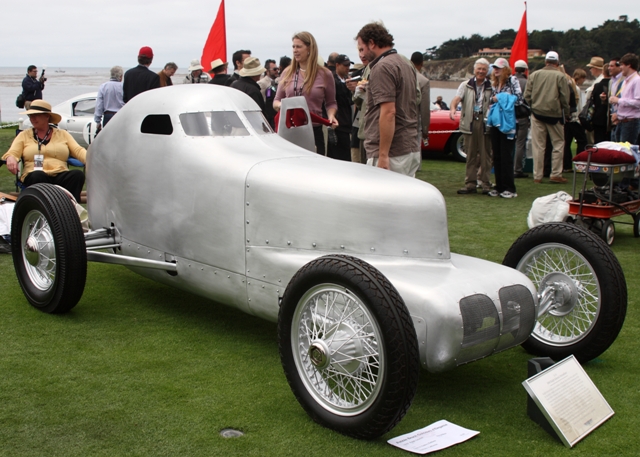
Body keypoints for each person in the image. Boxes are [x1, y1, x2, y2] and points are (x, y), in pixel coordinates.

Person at [355, 22, 420, 177]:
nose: (361, 54)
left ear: (371, 43)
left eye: (362, 49)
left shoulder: (382, 67)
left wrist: (383, 155)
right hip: (408, 146)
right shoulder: (405, 64)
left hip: (392, 152)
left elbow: (389, 112)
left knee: (381, 200)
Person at [2, 100, 86, 201]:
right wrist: (10, 158)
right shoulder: (24, 135)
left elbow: (78, 150)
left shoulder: (63, 134)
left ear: (47, 116)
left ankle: (69, 208)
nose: (32, 118)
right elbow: (12, 152)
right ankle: (43, 208)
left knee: (77, 175)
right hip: (35, 175)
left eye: (36, 115)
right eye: (30, 116)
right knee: (38, 175)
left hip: (59, 173)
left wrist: (90, 159)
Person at [274, 32, 338, 155]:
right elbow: (276, 101)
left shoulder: (325, 74)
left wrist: (331, 116)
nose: (295, 50)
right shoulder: (287, 72)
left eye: (298, 47)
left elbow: (331, 103)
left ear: (309, 48)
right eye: (293, 47)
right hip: (289, 130)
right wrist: (284, 106)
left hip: (314, 129)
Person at [523, 51, 570, 184]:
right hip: (555, 114)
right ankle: (555, 173)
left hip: (537, 114)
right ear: (557, 62)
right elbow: (564, 97)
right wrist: (566, 112)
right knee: (558, 144)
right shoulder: (561, 76)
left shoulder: (534, 75)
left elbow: (527, 95)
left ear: (545, 61)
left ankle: (537, 176)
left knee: (538, 147)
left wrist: (533, 106)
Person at [450, 58, 493, 194]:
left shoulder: (491, 86)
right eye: (479, 69)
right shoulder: (465, 85)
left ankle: (485, 183)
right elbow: (456, 99)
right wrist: (452, 109)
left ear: (487, 71)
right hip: (469, 121)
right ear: (474, 70)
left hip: (485, 122)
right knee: (471, 154)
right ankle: (470, 184)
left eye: (483, 69)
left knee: (486, 154)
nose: (481, 71)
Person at [486, 58, 522, 198]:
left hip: (509, 122)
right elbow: (490, 100)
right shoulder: (494, 83)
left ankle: (509, 187)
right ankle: (499, 185)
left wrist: (500, 97)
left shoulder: (512, 80)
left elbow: (518, 99)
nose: (496, 70)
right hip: (496, 121)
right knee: (497, 155)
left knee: (506, 155)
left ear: (505, 69)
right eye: (494, 68)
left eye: (498, 68)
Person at [327, 54, 356, 161]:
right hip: (338, 123)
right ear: (337, 65)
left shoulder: (346, 80)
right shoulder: (333, 80)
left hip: (346, 123)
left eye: (349, 65)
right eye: (345, 65)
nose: (348, 68)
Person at [609, 53, 640, 144]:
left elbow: (638, 103)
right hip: (621, 121)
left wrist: (618, 100)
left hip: (630, 123)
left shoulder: (637, 80)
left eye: (622, 65)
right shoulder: (625, 81)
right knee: (618, 151)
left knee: (626, 152)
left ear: (629, 65)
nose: (620, 67)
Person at [562, 68, 587, 171]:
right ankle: (580, 164)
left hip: (568, 119)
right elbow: (578, 104)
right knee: (582, 141)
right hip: (575, 119)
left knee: (566, 143)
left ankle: (566, 165)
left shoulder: (570, 85)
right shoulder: (576, 88)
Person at [513, 60, 530, 178]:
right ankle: (517, 169)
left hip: (509, 116)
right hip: (522, 116)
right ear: (525, 70)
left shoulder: (509, 81)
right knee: (520, 143)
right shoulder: (527, 82)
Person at [94, 66, 124, 131]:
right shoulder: (124, 87)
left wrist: (98, 121)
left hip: (108, 116)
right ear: (121, 76)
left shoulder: (104, 86)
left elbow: (99, 105)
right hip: (121, 116)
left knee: (108, 139)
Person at [411, 51, 431, 149]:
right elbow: (425, 108)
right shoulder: (423, 81)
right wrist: (425, 130)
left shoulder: (402, 76)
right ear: (422, 63)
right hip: (415, 123)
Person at [591, 64, 610, 143]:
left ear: (603, 72)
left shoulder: (597, 86)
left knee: (599, 143)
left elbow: (592, 100)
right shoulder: (614, 85)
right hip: (610, 118)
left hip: (598, 118)